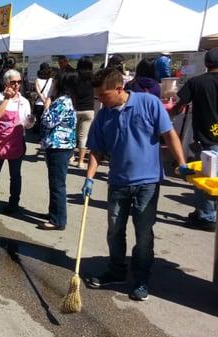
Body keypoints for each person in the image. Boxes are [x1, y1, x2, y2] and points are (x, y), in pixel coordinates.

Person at [84, 68, 192, 301]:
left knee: (143, 233)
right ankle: (116, 270)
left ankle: (141, 278)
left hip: (147, 182)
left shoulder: (149, 103)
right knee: (115, 230)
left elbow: (169, 134)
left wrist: (181, 162)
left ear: (119, 89)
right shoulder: (104, 115)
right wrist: (89, 178)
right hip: (118, 182)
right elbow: (96, 150)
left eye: (103, 95)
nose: (100, 100)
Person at [170, 47, 218, 232]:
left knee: (205, 178)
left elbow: (179, 106)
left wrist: (167, 115)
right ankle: (204, 213)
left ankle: (205, 216)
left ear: (206, 64)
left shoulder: (196, 82)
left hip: (206, 138)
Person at [0, 70, 33, 214]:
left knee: (15, 176)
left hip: (16, 143)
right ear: (6, 83)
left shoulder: (24, 102)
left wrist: (31, 122)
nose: (16, 85)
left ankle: (13, 204)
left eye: (19, 82)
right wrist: (7, 98)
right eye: (13, 82)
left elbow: (26, 123)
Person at [38, 69, 78, 231]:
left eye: (55, 81)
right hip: (61, 146)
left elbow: (47, 121)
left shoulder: (61, 102)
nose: (52, 83)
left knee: (57, 184)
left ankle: (58, 220)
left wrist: (47, 104)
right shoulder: (66, 100)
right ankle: (54, 212)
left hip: (58, 147)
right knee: (56, 182)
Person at [73, 56, 95, 169]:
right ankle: (81, 162)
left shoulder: (75, 77)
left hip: (76, 108)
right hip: (89, 110)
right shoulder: (93, 78)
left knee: (73, 134)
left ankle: (70, 157)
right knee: (83, 136)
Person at [33, 63, 54, 133]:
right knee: (47, 121)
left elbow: (39, 92)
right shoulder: (52, 80)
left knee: (39, 121)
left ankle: (40, 136)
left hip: (39, 103)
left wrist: (44, 100)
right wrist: (47, 101)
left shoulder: (37, 80)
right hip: (50, 103)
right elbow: (53, 92)